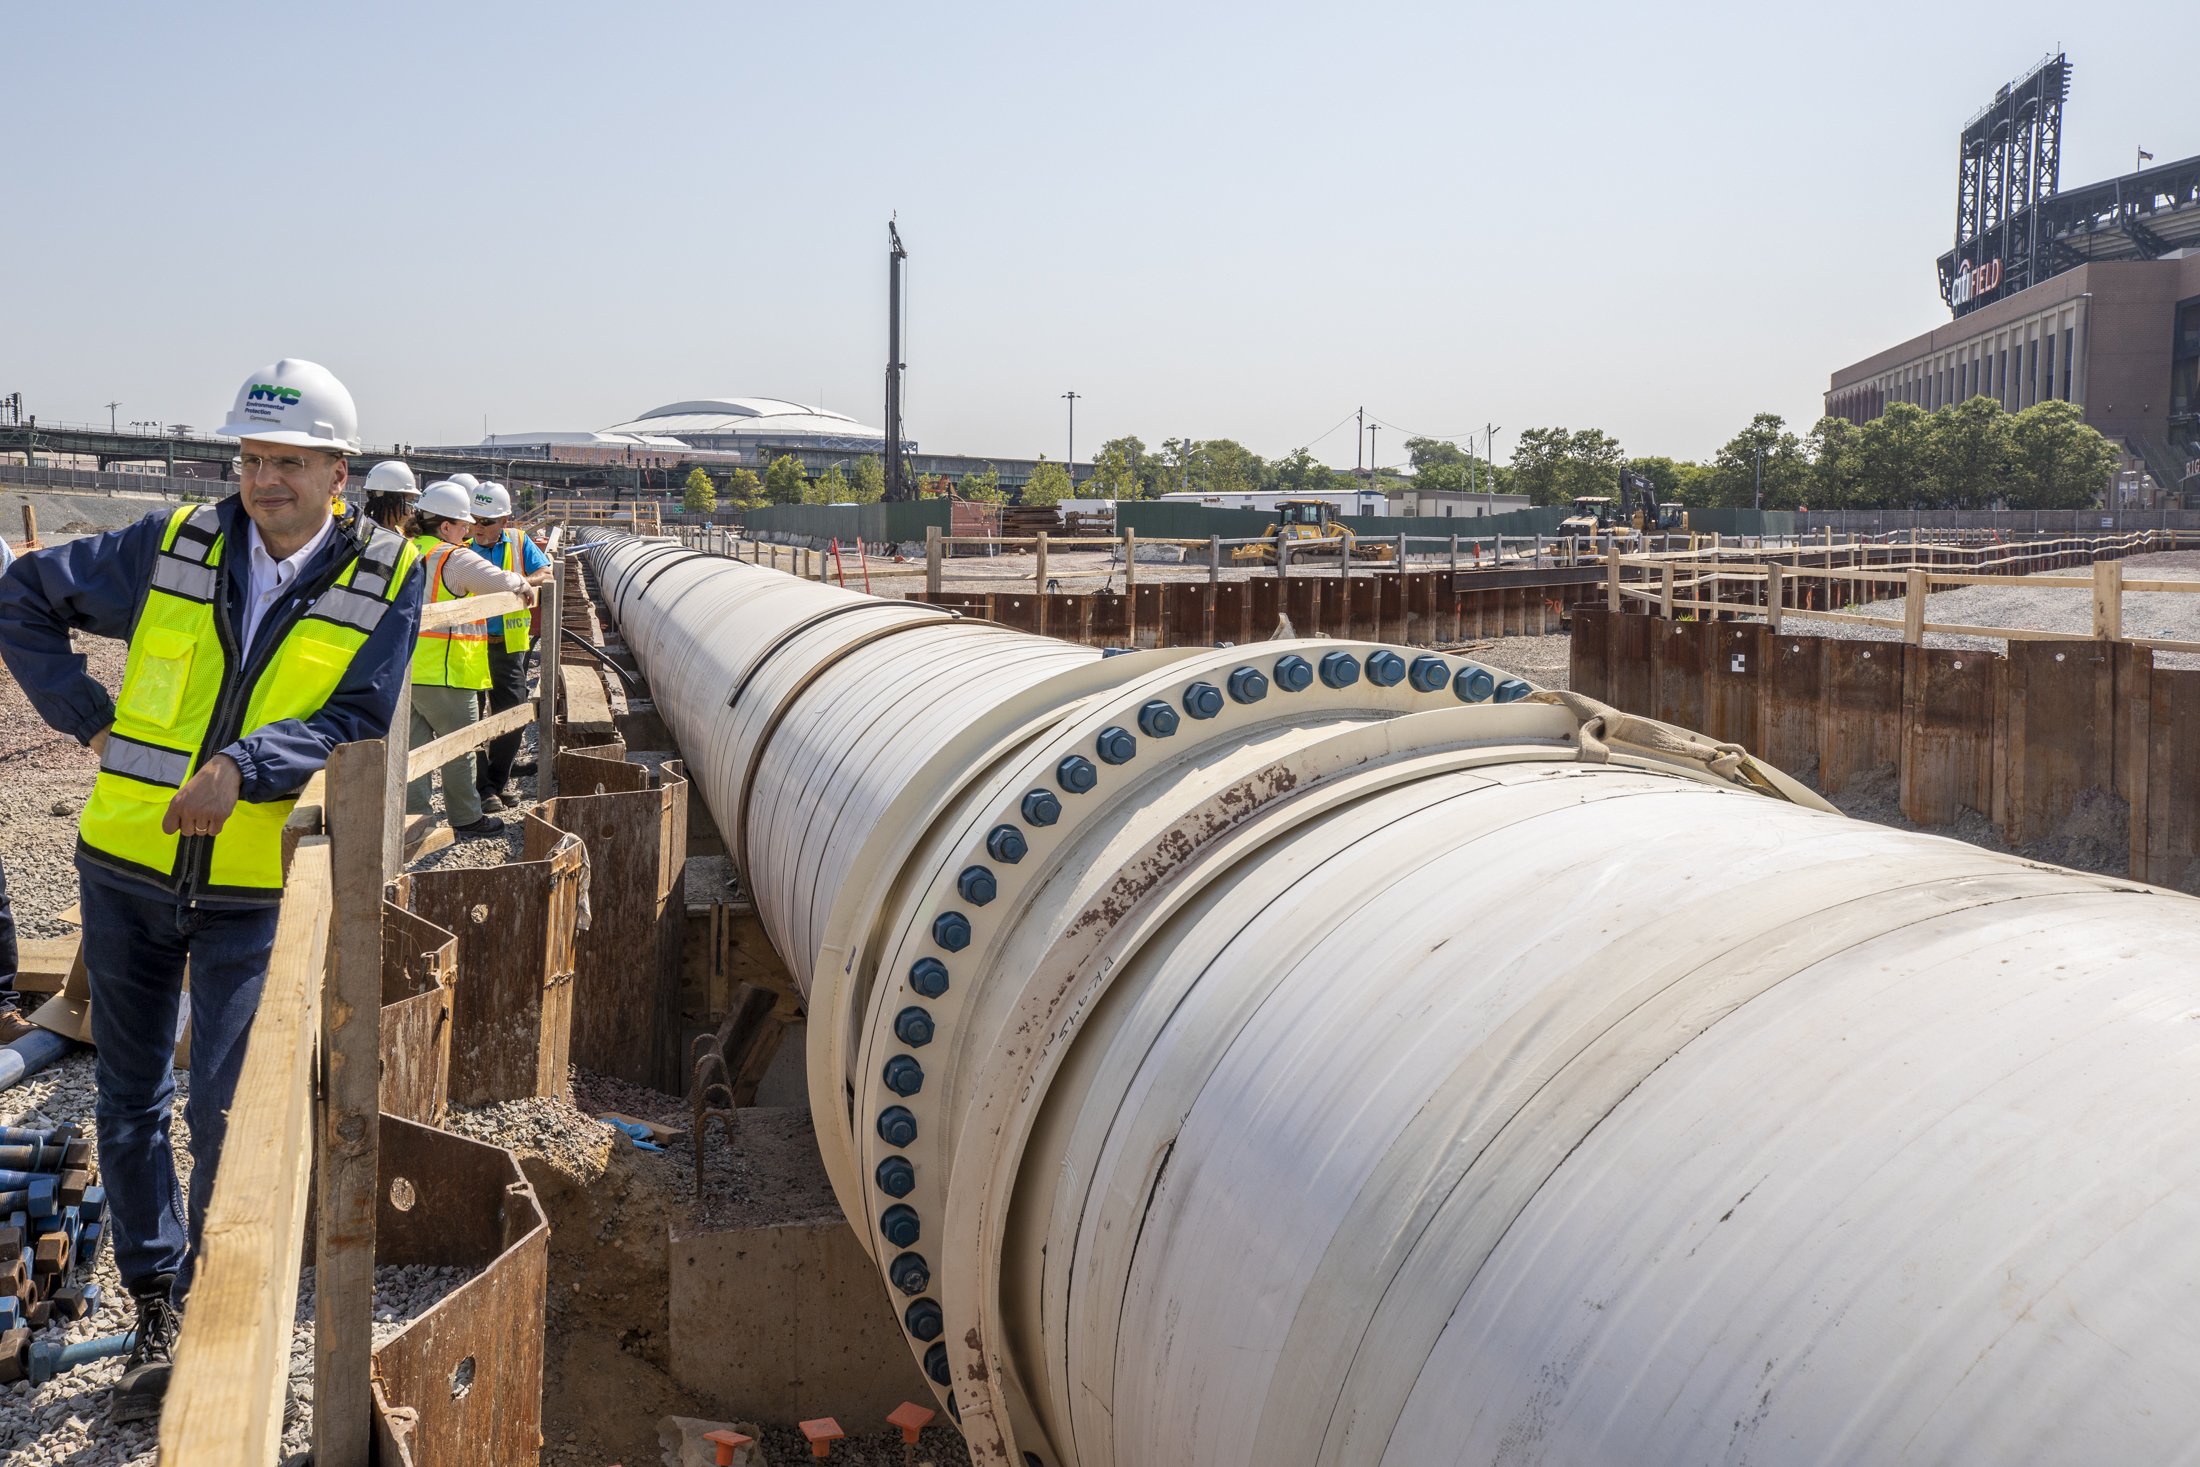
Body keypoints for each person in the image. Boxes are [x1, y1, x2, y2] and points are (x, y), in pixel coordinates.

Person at [0, 357, 423, 1423]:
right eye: (249, 457)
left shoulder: (384, 574)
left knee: (234, 1103)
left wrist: (250, 765)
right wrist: (83, 714)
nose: (263, 479)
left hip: (252, 885)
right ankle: (157, 1302)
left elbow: (359, 718)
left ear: (338, 469)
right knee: (131, 1101)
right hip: (125, 869)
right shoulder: (173, 542)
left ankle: (229, 1296)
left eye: (286, 460)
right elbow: (22, 595)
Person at [404, 481, 532, 838]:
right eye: (463, 523)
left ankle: (416, 821)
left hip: (405, 669)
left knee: (414, 750)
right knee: (459, 748)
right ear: (445, 526)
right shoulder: (453, 556)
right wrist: (523, 584)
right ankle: (467, 817)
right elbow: (502, 582)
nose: (469, 530)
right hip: (447, 670)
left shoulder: (406, 548)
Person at [465, 482, 552, 811]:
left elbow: (545, 571)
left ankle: (497, 783)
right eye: (473, 519)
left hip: (508, 645)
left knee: (513, 716)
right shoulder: (460, 546)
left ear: (505, 520)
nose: (478, 527)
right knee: (469, 718)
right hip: (468, 644)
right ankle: (483, 788)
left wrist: (519, 585)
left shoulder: (518, 542)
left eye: (486, 521)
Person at [361, 458, 419, 532]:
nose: (413, 511)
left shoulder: (402, 535)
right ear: (391, 502)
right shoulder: (364, 538)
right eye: (409, 503)